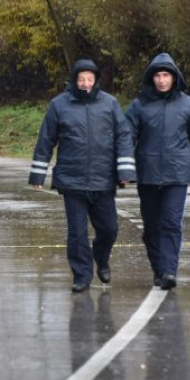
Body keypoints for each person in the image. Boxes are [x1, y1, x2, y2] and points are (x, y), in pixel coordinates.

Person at [29, 59, 136, 293]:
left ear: (96, 80)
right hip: (72, 180)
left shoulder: (110, 104)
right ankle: (82, 276)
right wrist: (38, 174)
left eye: (90, 79)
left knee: (109, 229)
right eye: (81, 79)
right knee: (77, 233)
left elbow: (123, 137)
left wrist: (125, 171)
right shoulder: (59, 105)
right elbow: (46, 139)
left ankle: (101, 256)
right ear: (74, 80)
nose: (86, 83)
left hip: (103, 180)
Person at [125, 53, 190, 291]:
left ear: (175, 78)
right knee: (152, 226)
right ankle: (159, 268)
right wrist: (124, 168)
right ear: (151, 78)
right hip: (148, 174)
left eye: (166, 75)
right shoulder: (139, 105)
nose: (162, 80)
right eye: (158, 75)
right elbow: (127, 138)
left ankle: (169, 271)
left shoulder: (189, 105)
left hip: (177, 175)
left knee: (172, 223)